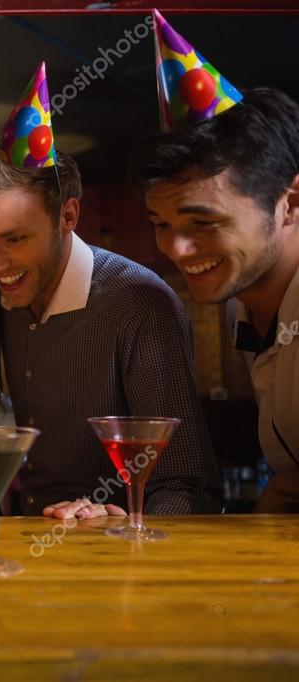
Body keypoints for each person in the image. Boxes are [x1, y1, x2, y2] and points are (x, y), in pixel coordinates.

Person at [0, 62, 221, 519]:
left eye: (14, 239)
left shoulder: (139, 304)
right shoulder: (2, 300)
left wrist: (126, 524)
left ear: (68, 216)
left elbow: (188, 487)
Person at [130, 12, 299, 511]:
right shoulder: (240, 308)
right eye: (161, 223)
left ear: (290, 202)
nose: (176, 249)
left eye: (203, 222)